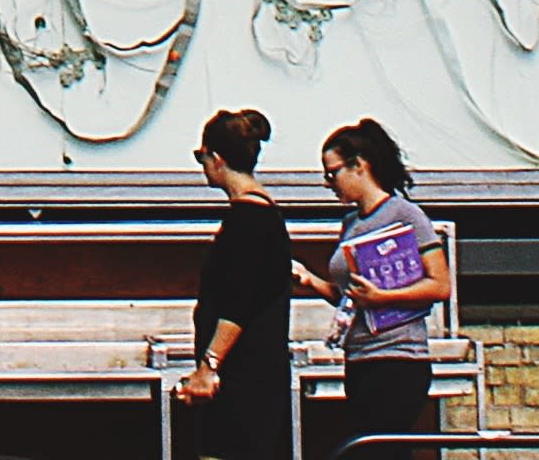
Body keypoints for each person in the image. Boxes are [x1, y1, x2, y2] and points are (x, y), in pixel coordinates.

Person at [173, 107, 315, 460]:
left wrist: (209, 366)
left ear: (217, 159)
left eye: (201, 156)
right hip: (257, 377)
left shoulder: (246, 221)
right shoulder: (266, 215)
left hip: (242, 381)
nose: (202, 165)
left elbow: (237, 302)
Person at [317, 119, 443, 452]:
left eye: (334, 173)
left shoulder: (405, 215)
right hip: (359, 356)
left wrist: (383, 296)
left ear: (359, 166)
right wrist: (307, 280)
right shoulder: (351, 223)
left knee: (377, 448)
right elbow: (348, 296)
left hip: (397, 356)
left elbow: (440, 284)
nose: (330, 184)